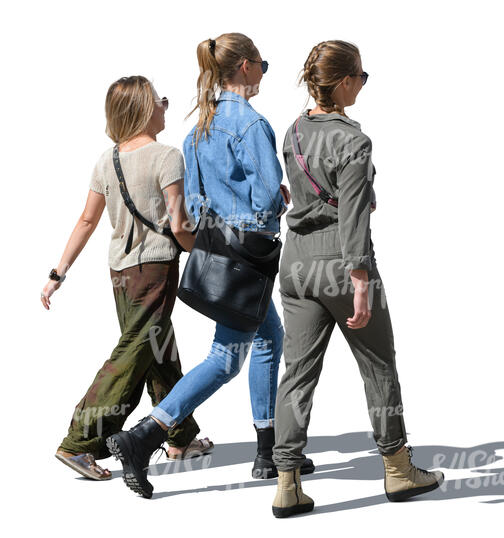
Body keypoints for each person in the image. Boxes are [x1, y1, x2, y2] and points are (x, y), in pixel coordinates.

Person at [107, 33, 314, 499]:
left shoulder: (195, 128)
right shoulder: (252, 124)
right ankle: (143, 437)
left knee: (268, 339)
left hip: (217, 252)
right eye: (262, 63)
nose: (263, 71)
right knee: (226, 359)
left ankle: (269, 449)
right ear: (243, 66)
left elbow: (196, 205)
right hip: (251, 256)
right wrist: (276, 203)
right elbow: (263, 197)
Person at [270, 40, 445, 518]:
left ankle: (287, 483)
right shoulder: (354, 140)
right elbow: (353, 221)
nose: (363, 83)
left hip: (295, 264)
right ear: (343, 82)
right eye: (361, 76)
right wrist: (361, 281)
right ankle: (398, 468)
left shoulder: (293, 131)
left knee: (297, 374)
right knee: (377, 366)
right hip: (338, 265)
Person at [42, 75, 213, 481]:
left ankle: (179, 434)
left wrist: (58, 272)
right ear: (142, 109)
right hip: (154, 269)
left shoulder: (108, 159)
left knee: (158, 349)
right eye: (161, 101)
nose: (165, 107)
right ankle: (79, 442)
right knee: (133, 354)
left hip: (120, 272)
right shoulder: (167, 156)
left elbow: (87, 220)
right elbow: (180, 224)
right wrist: (210, 248)